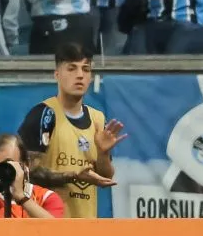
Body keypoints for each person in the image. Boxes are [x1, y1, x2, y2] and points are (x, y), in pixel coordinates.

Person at [17, 42, 126, 219]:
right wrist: (74, 176)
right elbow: (27, 173)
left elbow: (106, 177)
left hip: (85, 225)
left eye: (86, 69)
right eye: (72, 68)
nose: (80, 75)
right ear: (57, 74)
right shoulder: (42, 114)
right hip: (47, 225)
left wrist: (102, 153)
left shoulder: (97, 119)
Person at [0, 134, 62, 218]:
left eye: (7, 165)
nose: (1, 171)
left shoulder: (46, 197)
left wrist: (21, 197)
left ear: (26, 165)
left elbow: (55, 232)